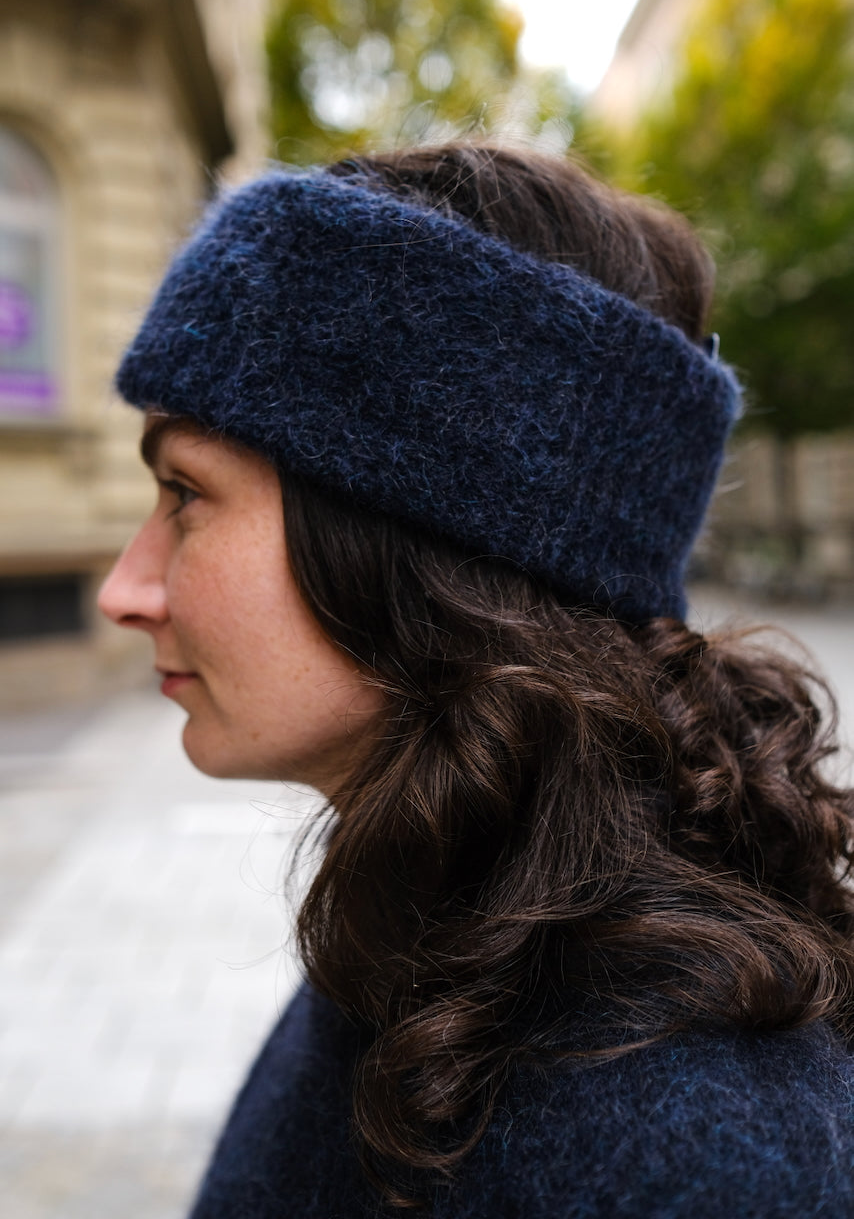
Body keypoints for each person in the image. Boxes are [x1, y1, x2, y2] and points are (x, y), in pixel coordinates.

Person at [97, 144, 854, 1218]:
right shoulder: (430, 915)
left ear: (417, 545)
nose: (125, 589)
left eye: (185, 494)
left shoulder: (697, 1159)